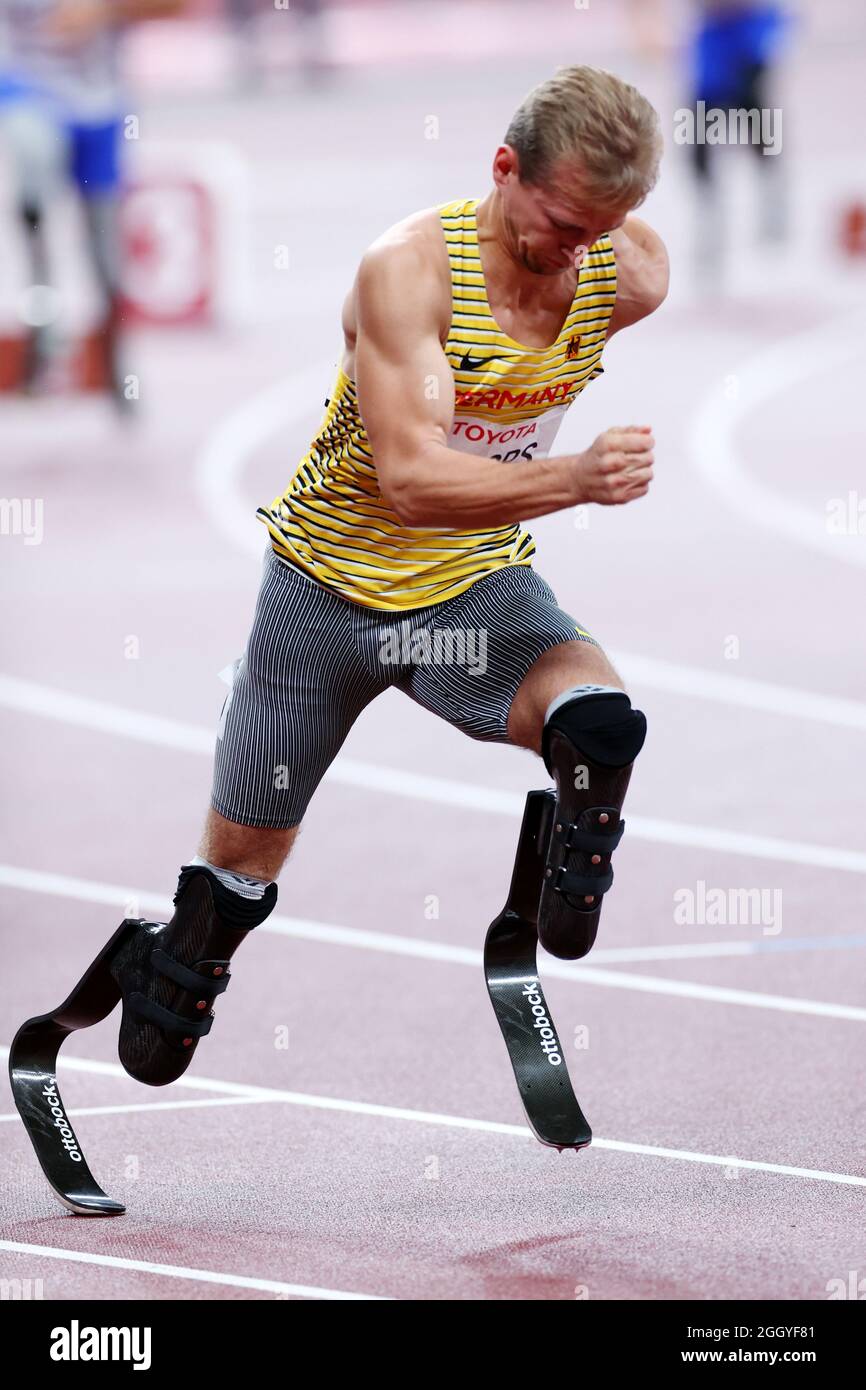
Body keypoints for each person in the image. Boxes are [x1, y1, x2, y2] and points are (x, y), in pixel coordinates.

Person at [72, 65, 670, 1087]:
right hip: (323, 596)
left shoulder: (629, 271)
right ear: (502, 167)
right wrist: (571, 475)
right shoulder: (410, 274)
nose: (579, 253)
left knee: (600, 723)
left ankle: (567, 873)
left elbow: (598, 270)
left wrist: (585, 259)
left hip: (470, 587)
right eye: (562, 223)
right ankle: (174, 958)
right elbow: (409, 481)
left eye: (600, 232)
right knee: (223, 908)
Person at [0, 0, 186, 402]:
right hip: (27, 91)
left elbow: (177, 7)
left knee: (103, 247)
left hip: (97, 107)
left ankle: (115, 359)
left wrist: (106, 9)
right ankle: (42, 334)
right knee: (33, 171)